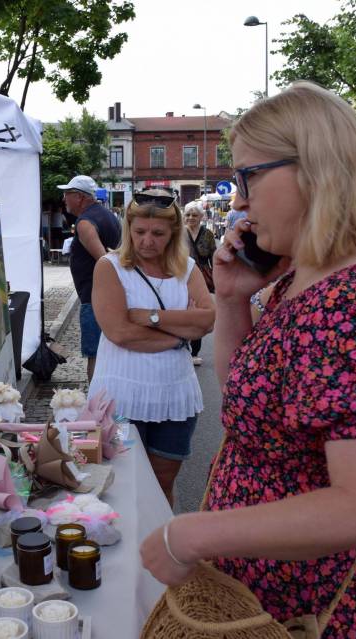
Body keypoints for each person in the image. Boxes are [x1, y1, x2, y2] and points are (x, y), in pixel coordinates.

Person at [140, 82, 356, 638]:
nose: (239, 202)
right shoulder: (311, 278)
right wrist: (232, 299)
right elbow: (247, 400)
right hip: (264, 597)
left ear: (314, 171)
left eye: (248, 177)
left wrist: (190, 535)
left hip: (310, 610)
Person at [89, 189, 213, 505]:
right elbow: (120, 332)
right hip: (122, 396)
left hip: (174, 395)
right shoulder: (110, 267)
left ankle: (160, 537)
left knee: (161, 486)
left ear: (173, 233)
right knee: (120, 487)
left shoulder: (187, 268)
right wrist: (179, 336)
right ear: (128, 229)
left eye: (158, 233)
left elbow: (207, 321)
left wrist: (150, 317)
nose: (147, 241)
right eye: (140, 231)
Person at [58, 174, 121, 382]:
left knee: (95, 355)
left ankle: (96, 398)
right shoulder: (108, 215)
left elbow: (105, 262)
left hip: (95, 297)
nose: (64, 199)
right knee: (110, 353)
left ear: (80, 197)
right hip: (108, 296)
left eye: (67, 194)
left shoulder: (85, 223)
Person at [183, 201, 216, 365]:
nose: (191, 218)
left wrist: (216, 278)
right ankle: (181, 347)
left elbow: (213, 258)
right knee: (181, 310)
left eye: (194, 215)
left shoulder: (208, 234)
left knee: (198, 313)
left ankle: (194, 352)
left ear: (201, 217)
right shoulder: (178, 233)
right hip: (181, 276)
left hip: (202, 278)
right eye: (188, 214)